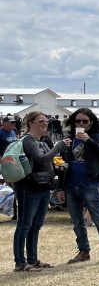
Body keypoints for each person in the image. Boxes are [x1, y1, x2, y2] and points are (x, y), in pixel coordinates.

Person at [11, 112, 70, 272]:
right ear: (31, 123)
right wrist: (59, 146)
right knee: (24, 225)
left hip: (44, 186)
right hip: (28, 187)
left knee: (36, 225)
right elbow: (41, 159)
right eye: (41, 121)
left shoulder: (43, 140)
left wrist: (60, 163)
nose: (45, 123)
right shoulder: (28, 140)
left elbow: (49, 159)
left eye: (47, 121)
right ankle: (20, 262)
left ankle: (32, 259)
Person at [61, 108, 99, 265]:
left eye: (85, 121)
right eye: (78, 121)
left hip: (90, 181)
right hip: (71, 183)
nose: (81, 124)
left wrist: (89, 140)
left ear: (91, 122)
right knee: (77, 221)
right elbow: (63, 161)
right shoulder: (69, 137)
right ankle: (83, 251)